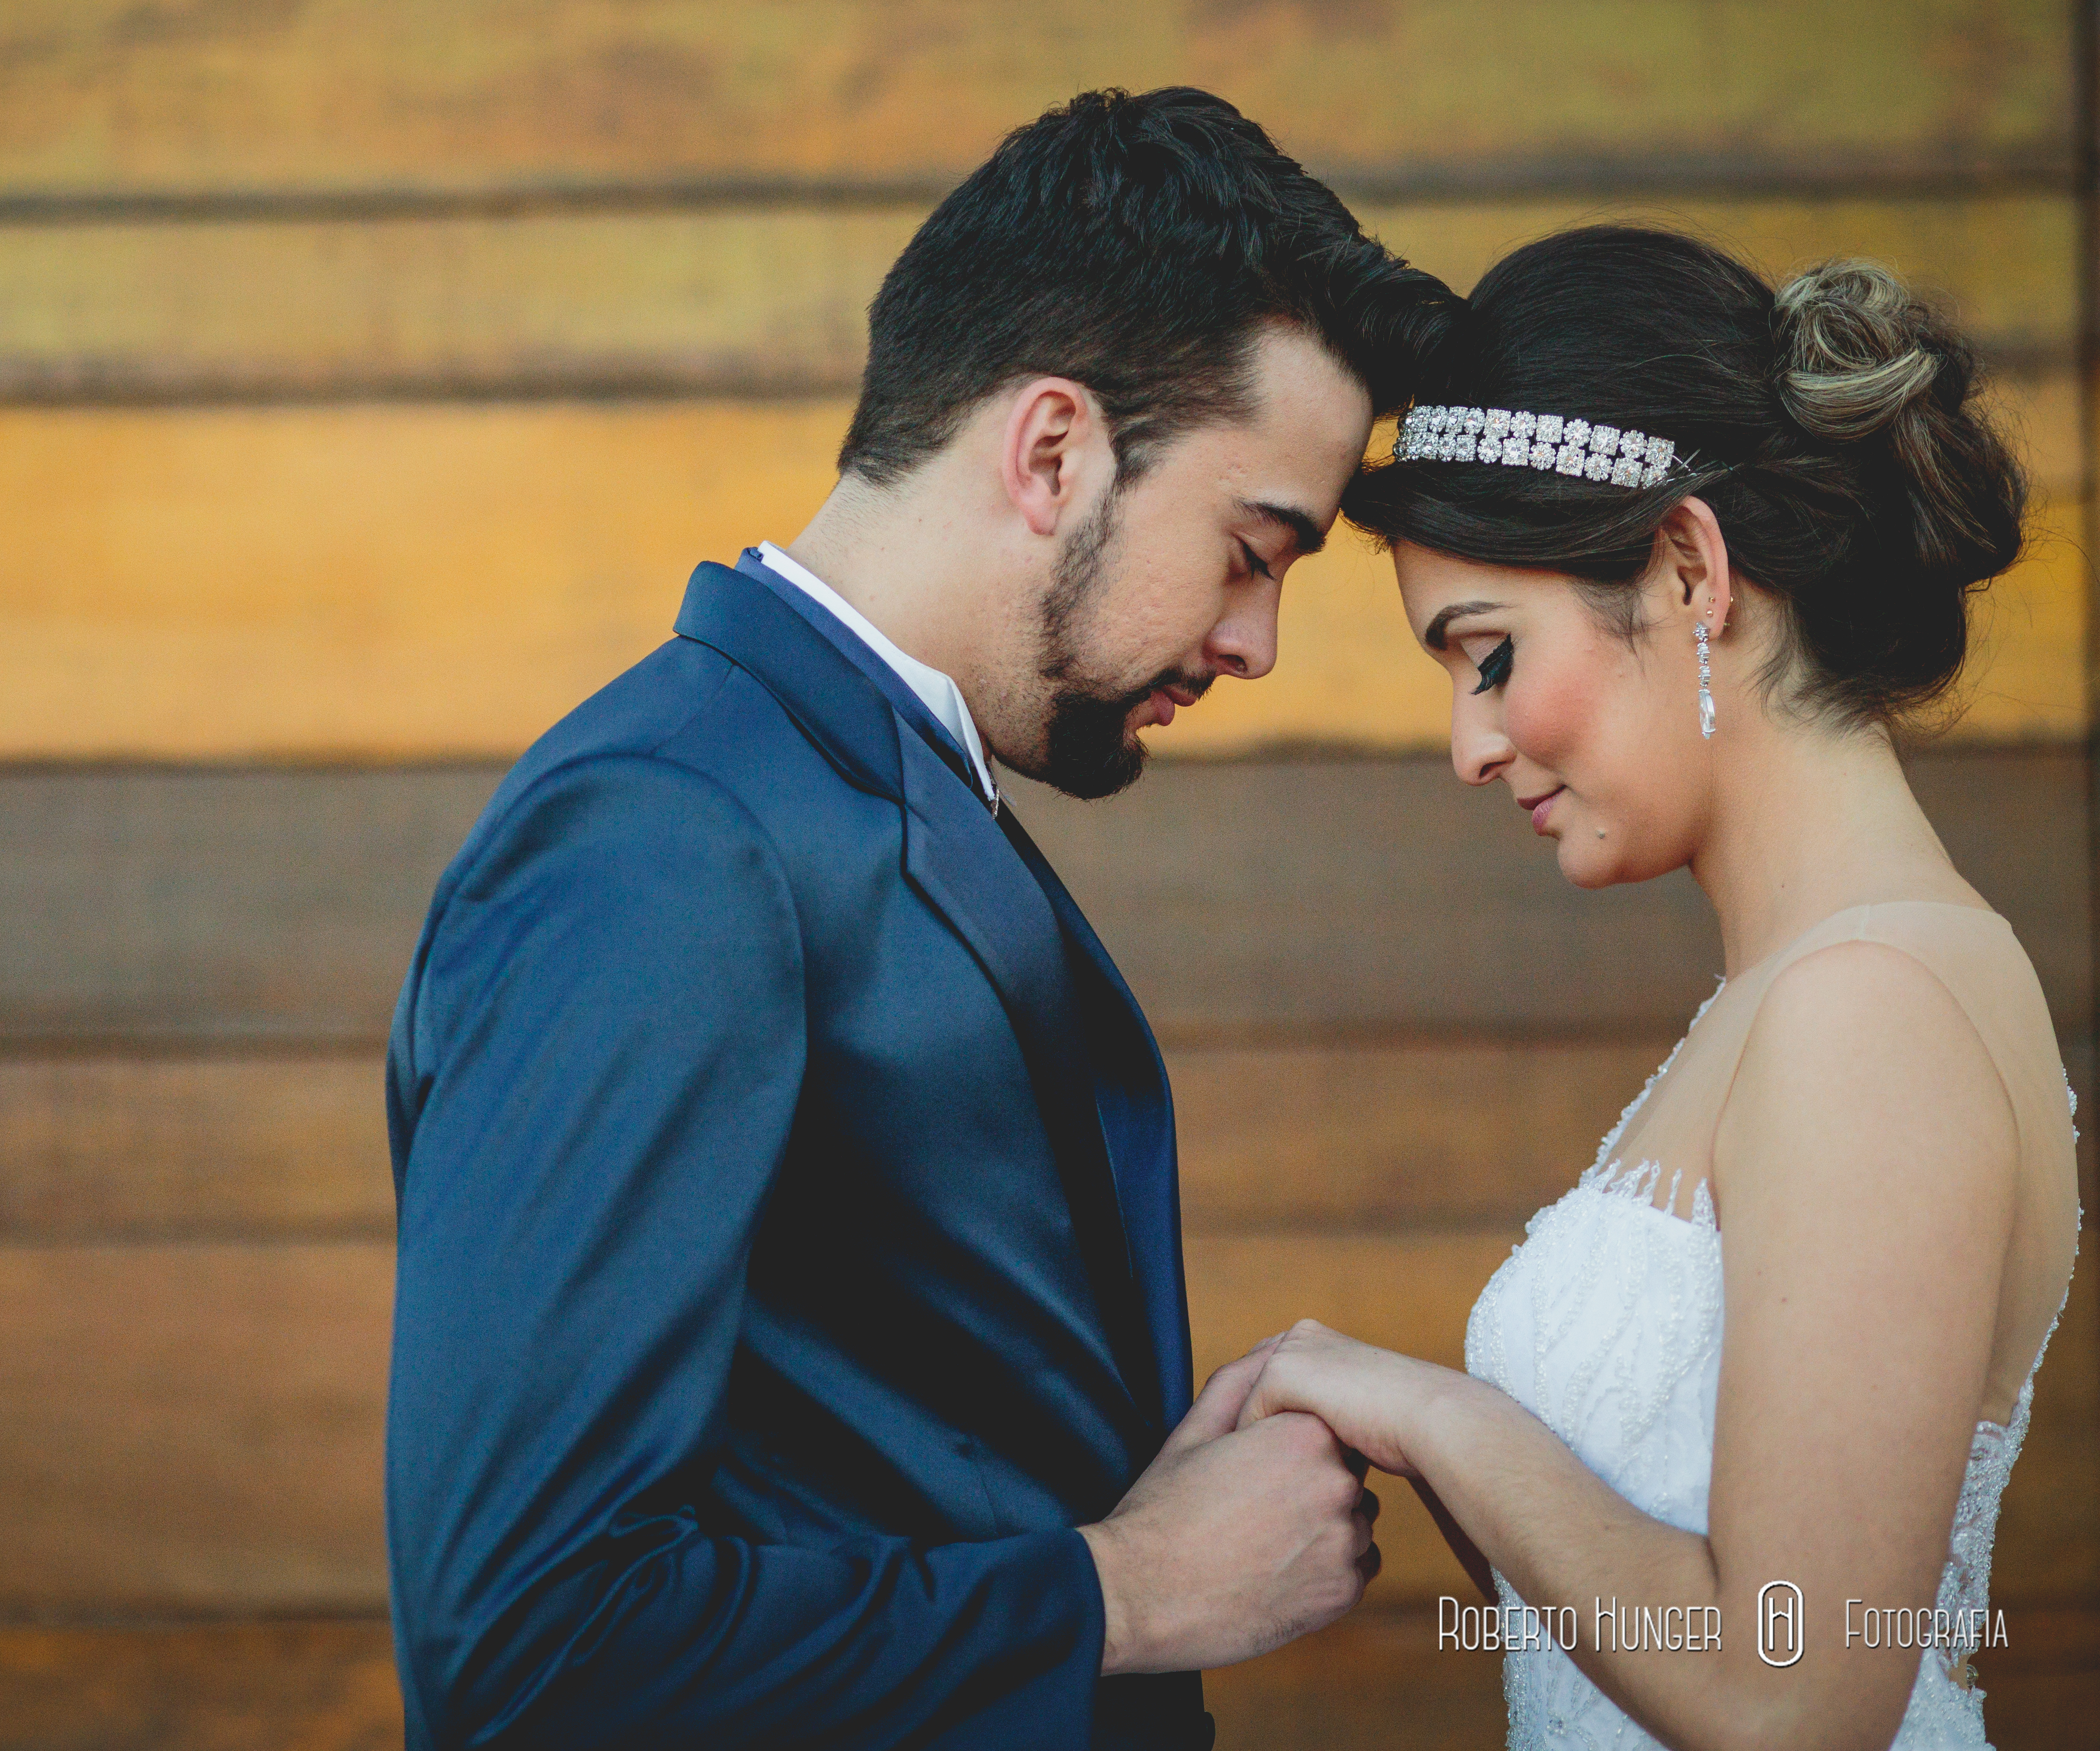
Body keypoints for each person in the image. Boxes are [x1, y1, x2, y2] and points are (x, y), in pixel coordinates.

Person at [383, 88, 1455, 1749]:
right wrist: (1130, 1591)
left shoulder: (858, 792)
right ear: (1050, 451)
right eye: (1254, 550)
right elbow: (530, 1649)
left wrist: (1127, 1506)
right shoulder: (665, 840)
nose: (1256, 644)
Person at [1231, 227, 2080, 1750]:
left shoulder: (1872, 1006)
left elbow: (1794, 1693)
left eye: (1488, 654)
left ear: (1691, 569)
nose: (1469, 748)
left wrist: (1438, 1414)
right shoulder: (1806, 991)